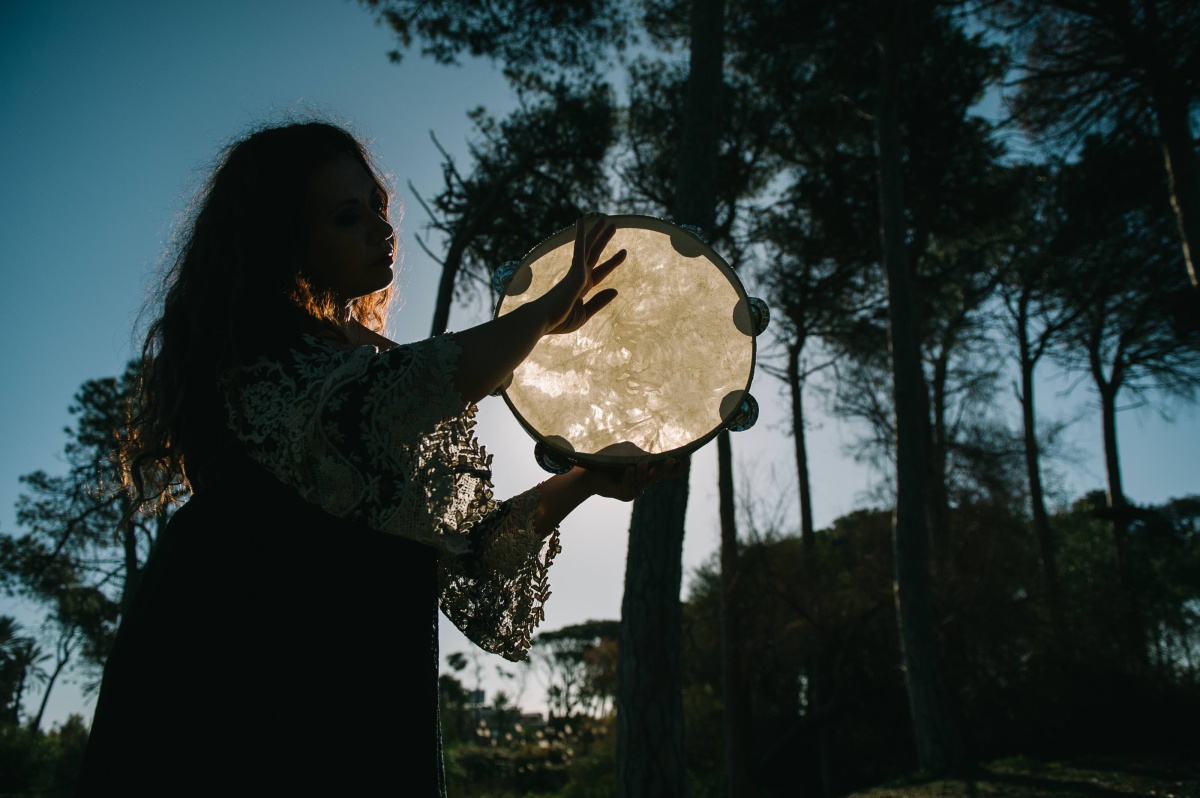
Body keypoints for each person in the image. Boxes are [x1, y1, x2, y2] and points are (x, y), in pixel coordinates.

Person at [75, 120, 687, 796]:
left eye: (376, 206)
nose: (379, 227)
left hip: (367, 697)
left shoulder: (368, 366)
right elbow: (397, 391)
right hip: (236, 678)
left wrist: (587, 480)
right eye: (347, 216)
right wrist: (542, 313)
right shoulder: (260, 363)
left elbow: (471, 555)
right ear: (281, 240)